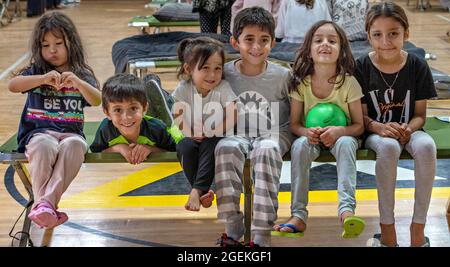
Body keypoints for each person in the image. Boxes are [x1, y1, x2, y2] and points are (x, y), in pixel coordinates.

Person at [7, 12, 101, 229]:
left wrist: (79, 83)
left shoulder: (81, 74)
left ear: (71, 43)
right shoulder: (37, 72)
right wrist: (41, 79)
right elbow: (13, 85)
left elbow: (97, 100)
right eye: (45, 45)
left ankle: (43, 205)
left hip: (71, 134)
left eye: (59, 43)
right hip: (38, 134)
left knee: (76, 145)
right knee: (45, 145)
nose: (52, 50)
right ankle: (47, 205)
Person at [273, 20, 366, 238]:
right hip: (312, 139)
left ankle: (346, 211)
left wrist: (339, 132)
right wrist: (308, 132)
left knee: (344, 144)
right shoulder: (301, 84)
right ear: (308, 49)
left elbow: (359, 126)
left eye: (332, 41)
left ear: (341, 50)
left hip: (344, 137)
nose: (325, 44)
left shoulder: (349, 82)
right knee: (299, 147)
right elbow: (295, 124)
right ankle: (298, 214)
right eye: (319, 40)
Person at [355, 1, 437, 247]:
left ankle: (418, 230)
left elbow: (421, 114)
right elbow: (361, 117)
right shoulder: (361, 66)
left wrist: (409, 129)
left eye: (393, 34)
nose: (386, 41)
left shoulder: (417, 65)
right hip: (375, 131)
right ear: (368, 37)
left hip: (410, 129)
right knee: (388, 148)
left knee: (427, 147)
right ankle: (387, 231)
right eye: (377, 35)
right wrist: (379, 128)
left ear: (406, 34)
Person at [214, 7, 293, 247]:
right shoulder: (225, 73)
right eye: (249, 39)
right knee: (225, 148)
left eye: (264, 40)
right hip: (237, 133)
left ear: (273, 43)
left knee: (266, 150)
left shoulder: (283, 75)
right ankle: (232, 226)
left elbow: (297, 109)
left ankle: (261, 234)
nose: (256, 47)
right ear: (235, 42)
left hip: (275, 132)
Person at [172, 37, 237, 212]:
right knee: (184, 146)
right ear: (188, 69)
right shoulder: (183, 89)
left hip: (216, 137)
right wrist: (190, 132)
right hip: (192, 137)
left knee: (212, 142)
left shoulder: (222, 87)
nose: (212, 75)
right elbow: (177, 117)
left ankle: (196, 191)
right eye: (205, 68)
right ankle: (202, 190)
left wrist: (215, 130)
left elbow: (233, 114)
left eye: (217, 69)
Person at [90, 73, 179, 165]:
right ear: (107, 113)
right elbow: (96, 154)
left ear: (144, 108)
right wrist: (117, 148)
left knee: (169, 126)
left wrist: (150, 149)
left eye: (133, 108)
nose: (126, 117)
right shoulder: (105, 129)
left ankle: (166, 103)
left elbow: (175, 153)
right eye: (118, 110)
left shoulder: (157, 128)